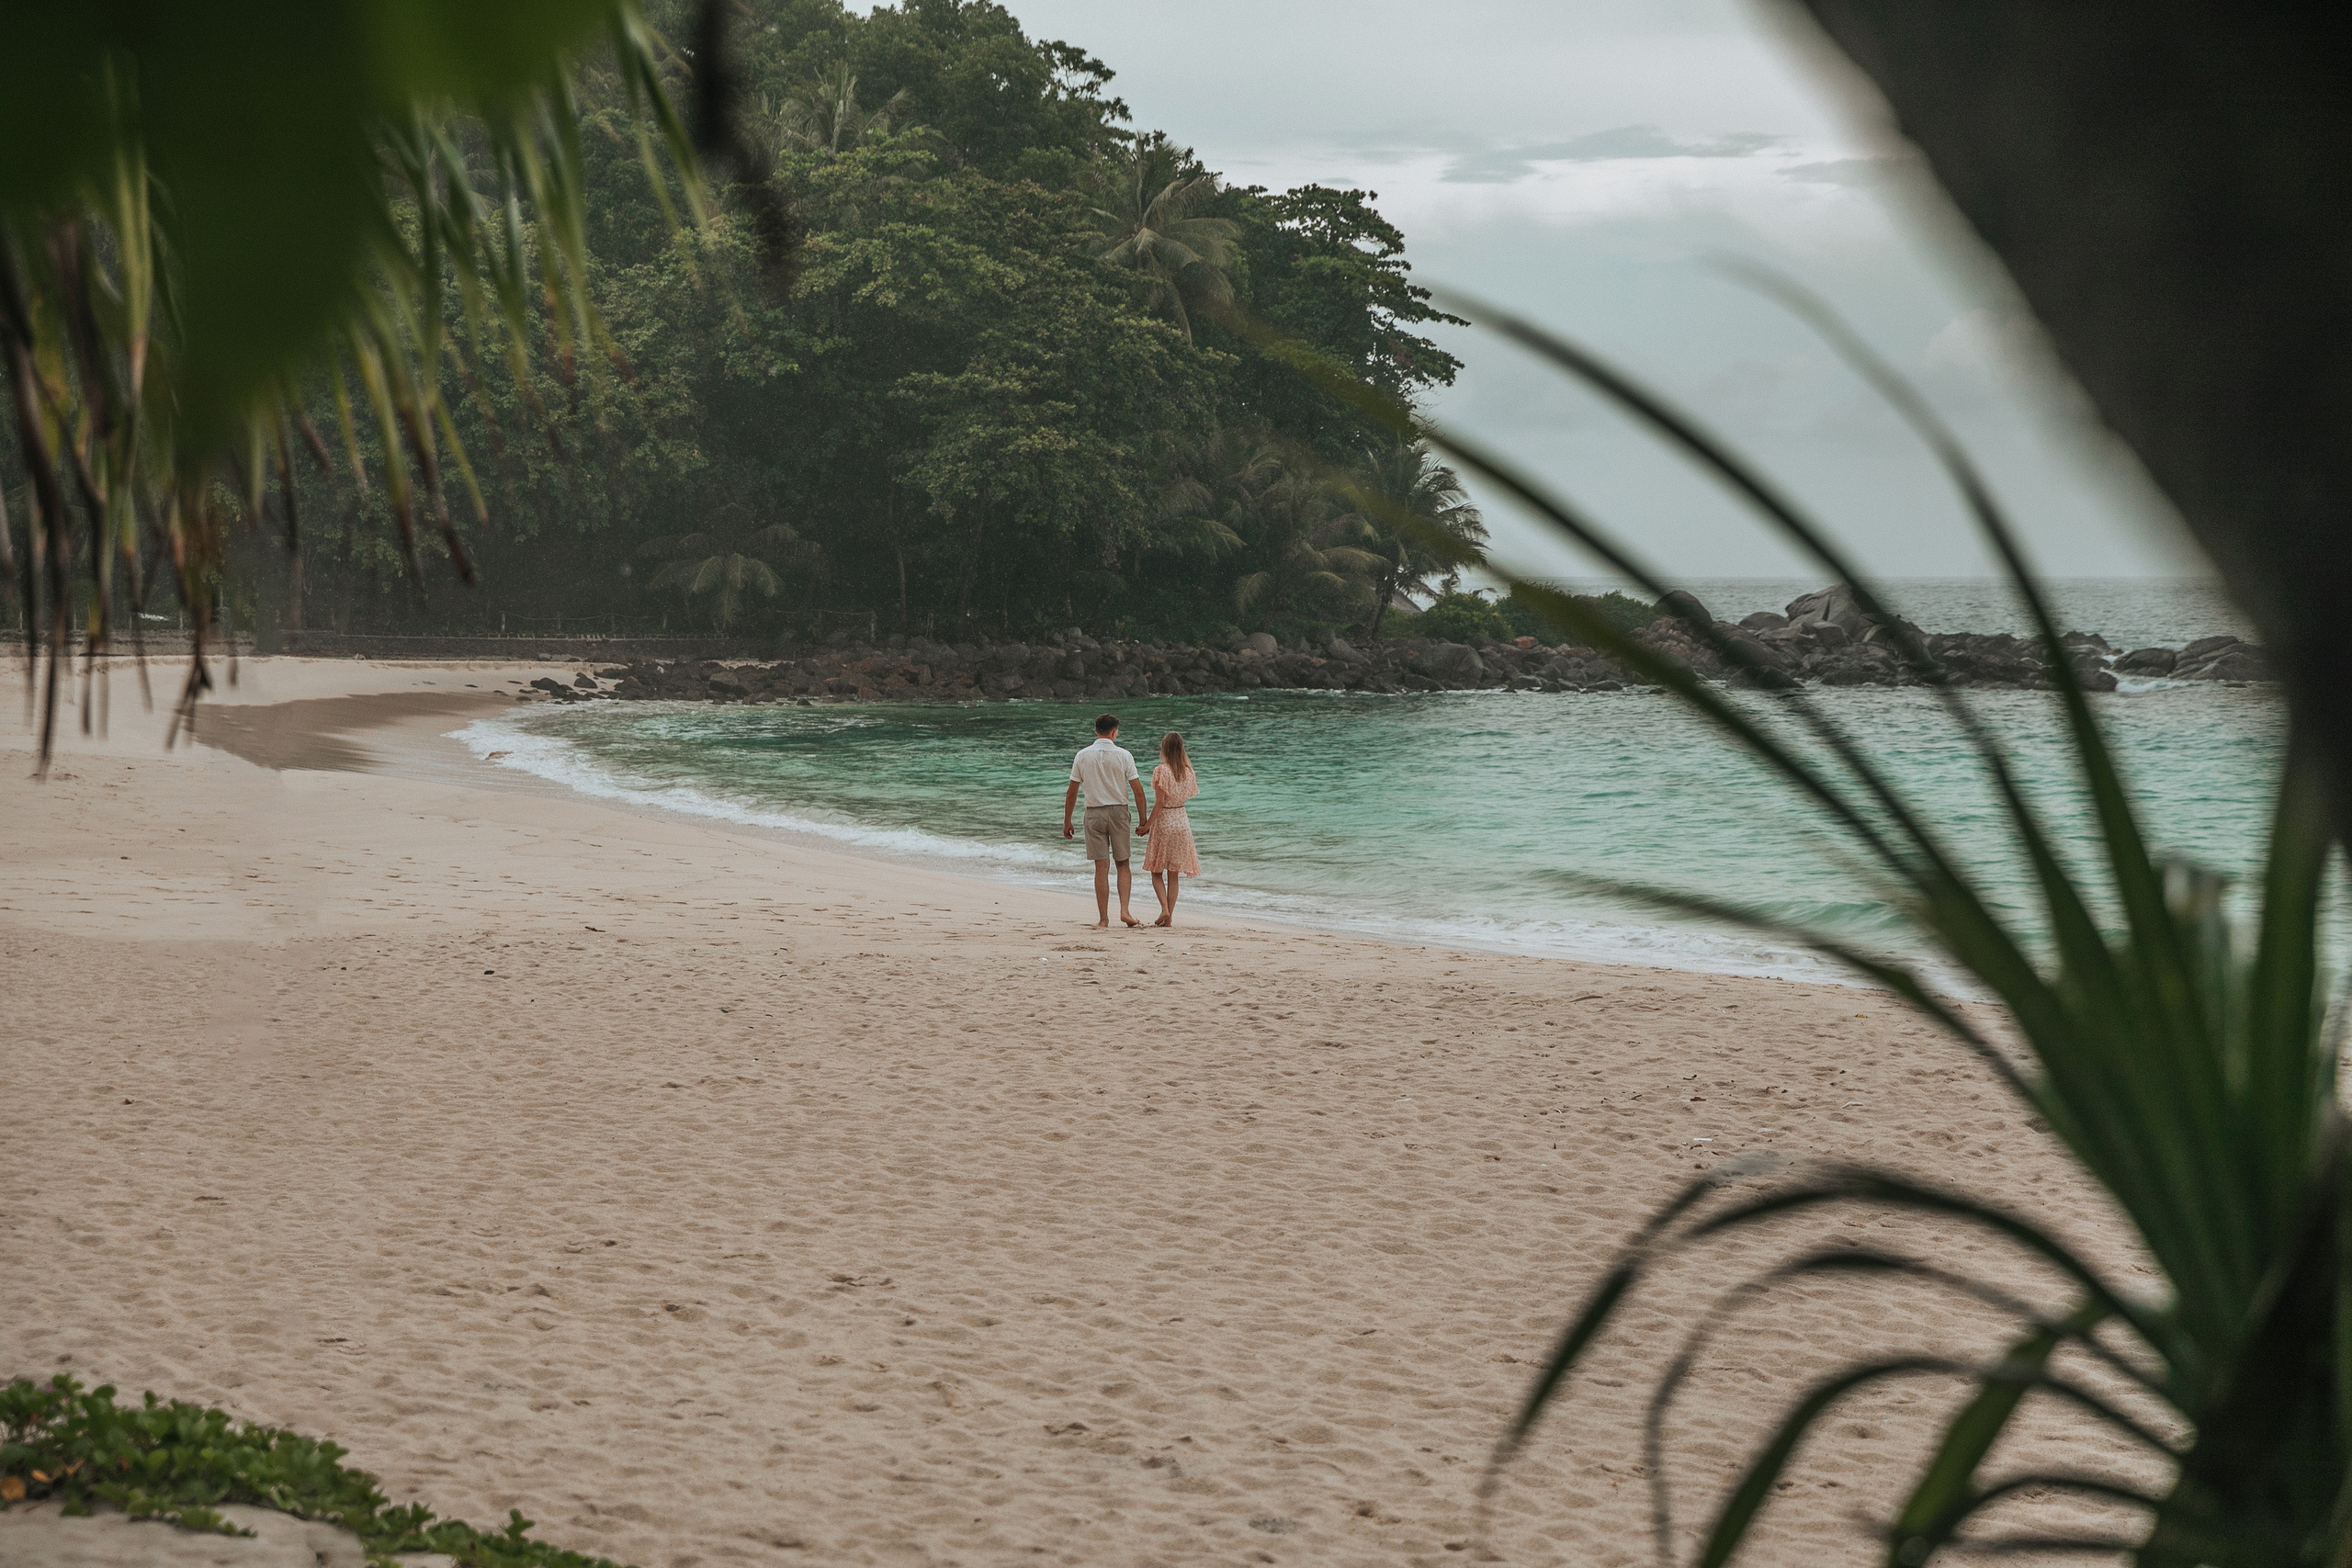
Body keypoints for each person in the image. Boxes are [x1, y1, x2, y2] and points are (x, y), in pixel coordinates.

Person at [1062, 713, 1151, 929]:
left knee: (1101, 867)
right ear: (1114, 732)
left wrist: (1067, 821)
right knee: (1123, 864)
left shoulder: (1082, 756)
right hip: (1119, 812)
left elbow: (1072, 792)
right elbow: (1138, 792)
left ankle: (1103, 919)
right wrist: (1143, 821)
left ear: (1096, 730)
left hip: (1093, 814)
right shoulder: (1124, 755)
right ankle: (1125, 911)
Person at [1142, 731, 1201, 926]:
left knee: (1156, 871)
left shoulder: (1162, 771)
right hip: (1182, 821)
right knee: (1173, 874)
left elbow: (1160, 803)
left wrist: (1146, 825)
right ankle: (1169, 919)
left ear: (1165, 749)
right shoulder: (1188, 772)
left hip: (1165, 822)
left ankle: (1164, 909)